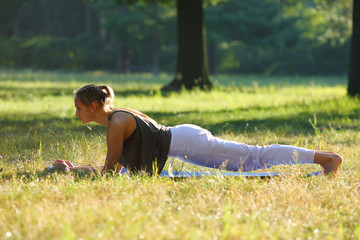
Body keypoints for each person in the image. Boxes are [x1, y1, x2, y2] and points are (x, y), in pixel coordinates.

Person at [53, 84, 343, 176]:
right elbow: (117, 170)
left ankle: (326, 159)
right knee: (250, 163)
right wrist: (74, 168)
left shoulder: (116, 124)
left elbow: (110, 170)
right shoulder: (117, 118)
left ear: (93, 106)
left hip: (187, 142)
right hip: (184, 143)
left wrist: (76, 171)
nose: (76, 112)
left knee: (255, 156)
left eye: (79, 107)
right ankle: (322, 161)